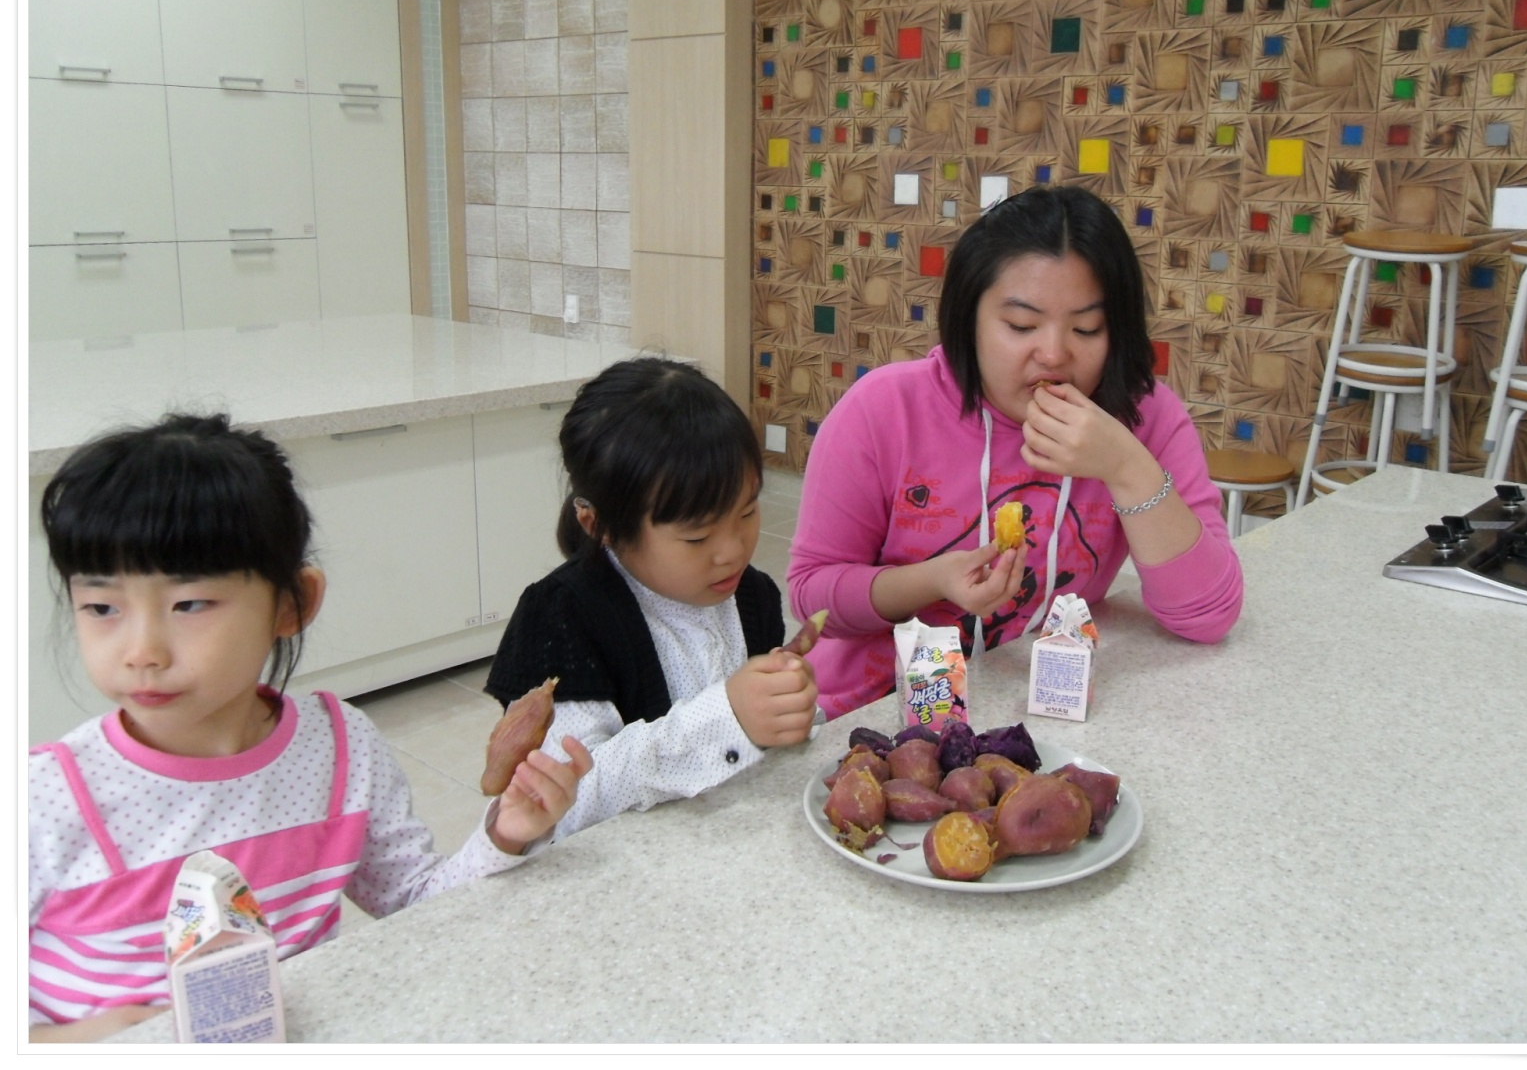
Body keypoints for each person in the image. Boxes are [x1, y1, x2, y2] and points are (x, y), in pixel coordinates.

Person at [28, 414, 592, 1042]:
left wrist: (506, 834)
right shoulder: (42, 797)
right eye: (102, 607)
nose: (142, 650)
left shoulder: (338, 750)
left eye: (189, 604)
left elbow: (415, 903)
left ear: (293, 603)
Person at [789, 185, 1244, 718]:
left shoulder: (1144, 421)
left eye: (1086, 328)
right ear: (969, 319)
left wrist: (1125, 467)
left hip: (1037, 708)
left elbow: (1209, 616)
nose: (1053, 354)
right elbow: (810, 599)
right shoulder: (883, 410)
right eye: (1021, 326)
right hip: (875, 712)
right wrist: (933, 580)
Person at [484, 357, 818, 843]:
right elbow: (566, 797)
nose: (732, 551)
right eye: (697, 538)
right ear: (598, 525)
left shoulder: (753, 596)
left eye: (746, 513)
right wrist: (727, 717)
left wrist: (789, 710)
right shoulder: (561, 616)